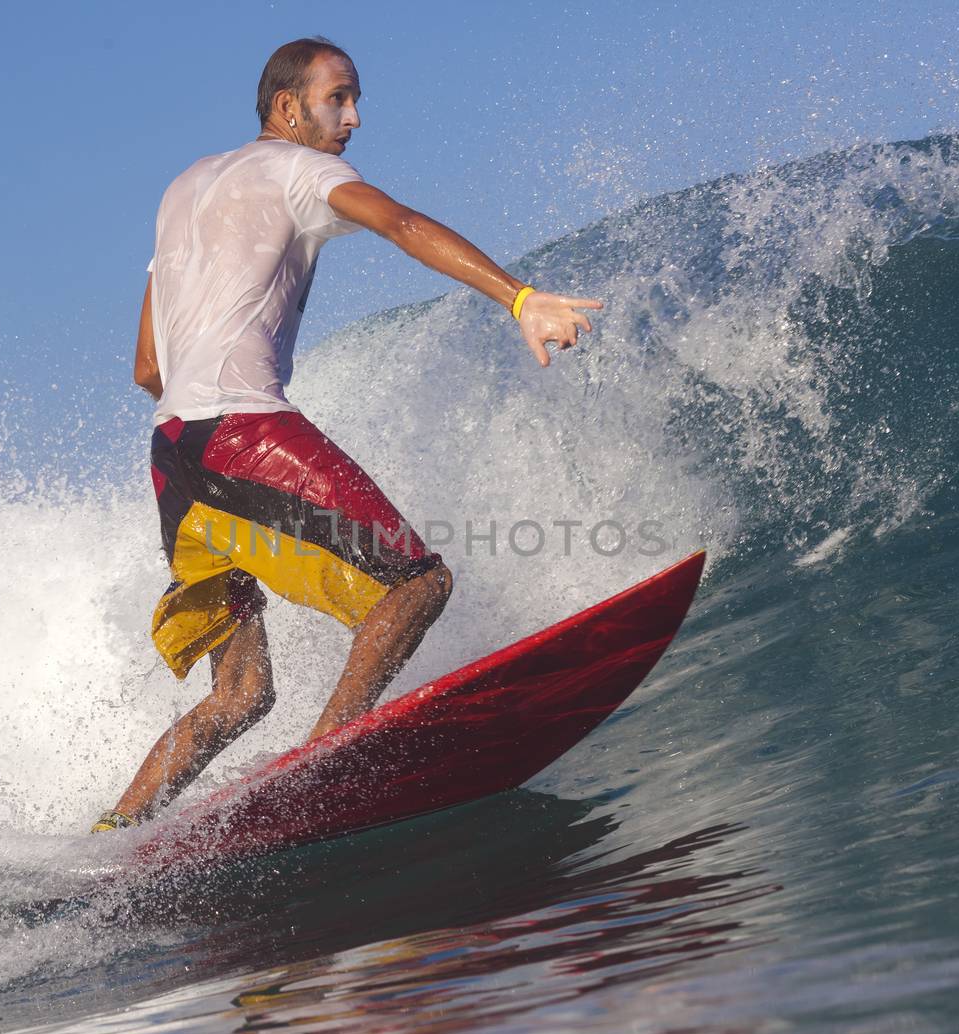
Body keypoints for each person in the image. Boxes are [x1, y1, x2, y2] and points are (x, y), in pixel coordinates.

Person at [92, 37, 601, 832]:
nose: (355, 118)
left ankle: (113, 837)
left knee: (239, 697)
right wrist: (519, 297)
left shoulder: (182, 189)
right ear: (287, 108)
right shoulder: (301, 170)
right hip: (240, 428)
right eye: (340, 98)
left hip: (171, 459)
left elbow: (147, 366)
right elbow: (398, 222)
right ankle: (325, 765)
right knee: (417, 583)